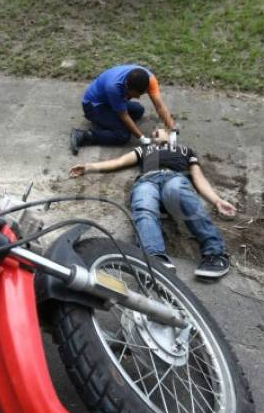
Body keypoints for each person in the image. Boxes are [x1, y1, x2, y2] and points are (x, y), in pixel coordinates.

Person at [70, 128, 237, 279]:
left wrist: (217, 200)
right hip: (147, 181)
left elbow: (198, 177)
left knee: (177, 189)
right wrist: (88, 167)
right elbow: (119, 161)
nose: (155, 132)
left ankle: (215, 254)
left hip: (175, 178)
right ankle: (154, 259)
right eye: (153, 132)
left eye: (160, 130)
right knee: (143, 203)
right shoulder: (145, 149)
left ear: (171, 135)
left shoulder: (185, 150)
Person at [71, 65, 175, 155]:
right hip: (93, 106)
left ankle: (105, 123)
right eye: (135, 94)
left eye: (141, 94)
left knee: (138, 110)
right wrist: (142, 138)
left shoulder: (150, 79)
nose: (138, 97)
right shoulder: (113, 88)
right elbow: (124, 115)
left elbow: (160, 106)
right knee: (123, 135)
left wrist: (172, 130)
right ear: (126, 87)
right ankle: (84, 135)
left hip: (108, 101)